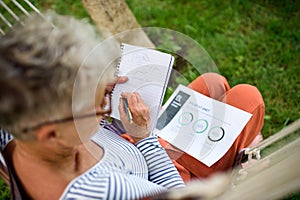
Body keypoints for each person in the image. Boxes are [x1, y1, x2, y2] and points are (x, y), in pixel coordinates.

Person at [0, 12, 185, 199]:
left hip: (124, 148)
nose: (105, 104)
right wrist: (144, 138)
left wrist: (91, 87)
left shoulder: (14, 122)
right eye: (99, 105)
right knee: (213, 86)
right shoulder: (108, 190)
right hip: (157, 172)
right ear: (52, 134)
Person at [120, 72, 265, 182]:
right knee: (249, 97)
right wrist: (145, 137)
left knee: (212, 82)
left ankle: (239, 144)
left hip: (138, 140)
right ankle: (240, 149)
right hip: (170, 170)